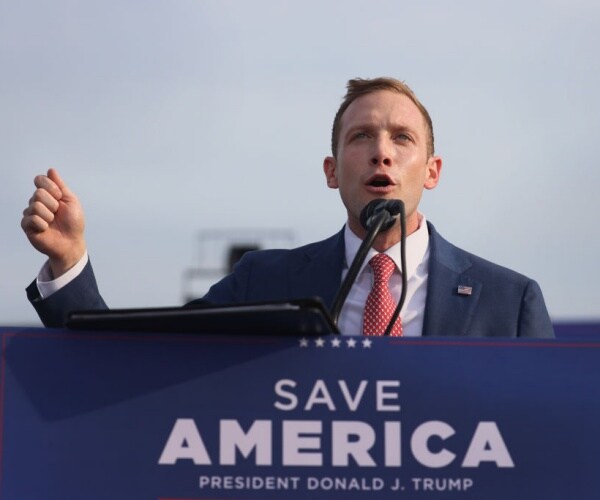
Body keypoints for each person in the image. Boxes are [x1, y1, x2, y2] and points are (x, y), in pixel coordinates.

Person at [21, 77, 554, 337]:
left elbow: (546, 438)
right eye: (361, 136)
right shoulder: (264, 281)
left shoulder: (509, 302)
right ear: (331, 171)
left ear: (432, 172)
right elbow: (136, 362)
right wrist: (69, 262)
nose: (382, 152)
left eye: (402, 138)